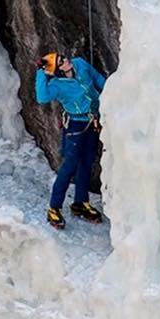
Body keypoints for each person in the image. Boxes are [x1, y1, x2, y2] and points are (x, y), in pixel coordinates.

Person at [34, 51, 106, 230]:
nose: (66, 61)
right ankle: (54, 207)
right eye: (61, 62)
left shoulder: (80, 64)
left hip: (92, 122)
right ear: (57, 70)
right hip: (75, 126)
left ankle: (80, 202)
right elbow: (42, 97)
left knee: (87, 162)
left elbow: (99, 80)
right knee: (70, 166)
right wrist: (41, 73)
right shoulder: (57, 85)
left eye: (63, 58)